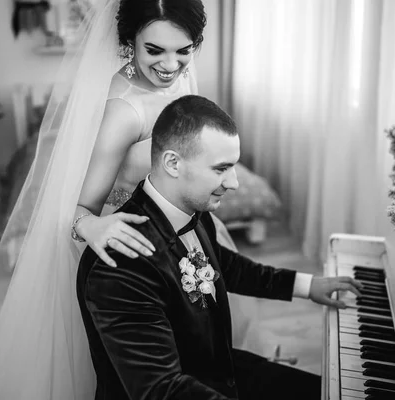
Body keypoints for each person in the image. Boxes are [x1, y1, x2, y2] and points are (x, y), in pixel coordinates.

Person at [0, 1, 257, 399]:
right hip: (133, 253)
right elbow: (82, 208)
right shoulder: (123, 109)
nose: (171, 65)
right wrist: (91, 223)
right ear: (129, 41)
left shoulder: (179, 84)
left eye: (183, 51)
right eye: (155, 50)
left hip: (182, 231)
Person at [77, 95, 363, 400]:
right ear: (172, 163)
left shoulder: (192, 211)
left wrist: (308, 285)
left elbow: (225, 265)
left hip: (219, 370)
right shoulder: (122, 262)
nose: (234, 183)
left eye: (234, 167)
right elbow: (161, 390)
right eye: (220, 169)